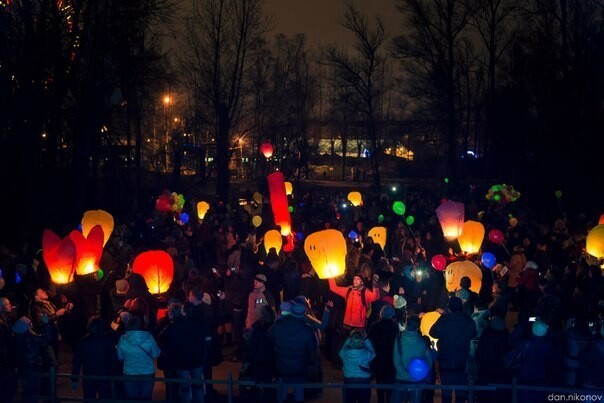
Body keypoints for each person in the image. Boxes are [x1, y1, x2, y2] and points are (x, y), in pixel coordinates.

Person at [158, 302, 210, 403]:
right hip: (196, 359)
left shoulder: (173, 326)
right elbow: (203, 339)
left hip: (182, 360)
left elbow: (162, 337)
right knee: (197, 385)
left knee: (184, 387)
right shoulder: (196, 324)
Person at [429, 296, 476, 403]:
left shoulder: (444, 320)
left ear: (449, 307)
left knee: (446, 393)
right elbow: (474, 334)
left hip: (446, 361)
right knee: (460, 393)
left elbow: (432, 332)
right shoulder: (468, 320)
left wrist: (441, 317)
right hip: (462, 362)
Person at [269, 302, 316, 403]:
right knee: (299, 394)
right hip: (300, 368)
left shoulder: (279, 326)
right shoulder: (307, 330)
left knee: (281, 395)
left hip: (281, 366)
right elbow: (312, 349)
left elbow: (269, 337)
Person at [71, 317, 119, 401]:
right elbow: (114, 359)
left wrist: (74, 379)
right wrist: (115, 374)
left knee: (89, 398)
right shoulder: (108, 341)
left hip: (89, 375)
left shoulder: (83, 342)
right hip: (105, 375)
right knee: (105, 398)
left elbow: (77, 362)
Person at [116, 316, 160, 400]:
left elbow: (119, 356)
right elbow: (156, 354)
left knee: (132, 398)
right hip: (147, 372)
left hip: (130, 373)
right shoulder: (149, 337)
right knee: (146, 398)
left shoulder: (122, 339)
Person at [391, 315, 433, 403]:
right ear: (418, 326)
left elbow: (397, 362)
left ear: (406, 325)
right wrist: (420, 374)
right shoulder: (422, 341)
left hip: (401, 379)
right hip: (417, 381)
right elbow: (429, 361)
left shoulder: (399, 340)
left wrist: (407, 376)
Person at [12, 315, 52, 403]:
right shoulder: (31, 338)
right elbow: (45, 339)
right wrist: (46, 324)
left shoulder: (16, 339)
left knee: (27, 393)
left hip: (22, 368)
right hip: (33, 367)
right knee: (34, 392)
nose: (32, 326)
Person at [367, 305, 398, 403]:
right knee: (389, 384)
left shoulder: (375, 326)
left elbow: (369, 341)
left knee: (379, 383)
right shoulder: (394, 327)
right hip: (391, 359)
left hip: (378, 358)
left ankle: (381, 400)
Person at [339, 329, 376, 403]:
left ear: (350, 343)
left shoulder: (345, 353)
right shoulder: (366, 354)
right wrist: (366, 339)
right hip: (364, 382)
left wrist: (349, 338)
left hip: (349, 382)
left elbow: (342, 349)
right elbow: (373, 352)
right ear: (362, 342)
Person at [0, 297, 17, 403]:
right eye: (7, 304)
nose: (10, 305)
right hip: (4, 362)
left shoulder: (5, 319)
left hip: (7, 360)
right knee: (6, 389)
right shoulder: (1, 323)